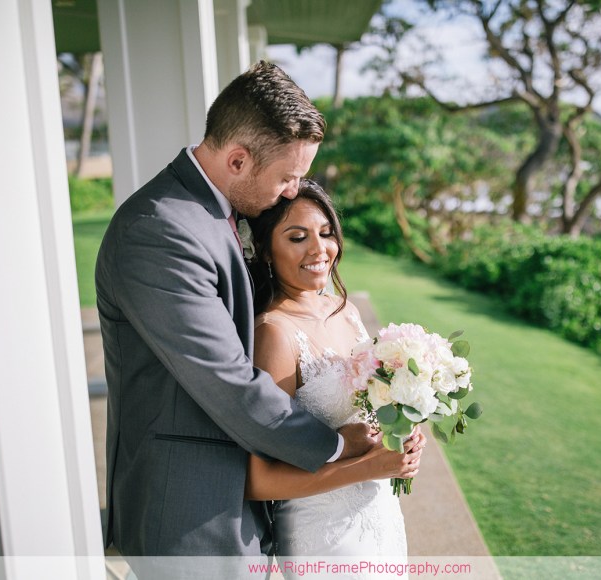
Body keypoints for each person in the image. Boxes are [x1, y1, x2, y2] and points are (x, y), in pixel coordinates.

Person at [94, 62, 398, 568]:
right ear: (237, 160)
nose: (290, 192)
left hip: (237, 506)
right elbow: (228, 380)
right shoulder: (160, 230)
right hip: (190, 510)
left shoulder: (209, 213)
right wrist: (333, 447)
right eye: (287, 177)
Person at [243, 179, 413, 567]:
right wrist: (368, 466)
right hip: (324, 536)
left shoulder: (346, 311)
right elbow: (259, 479)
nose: (319, 249)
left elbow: (368, 409)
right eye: (298, 237)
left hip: (379, 516)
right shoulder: (274, 334)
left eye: (326, 233)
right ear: (267, 251)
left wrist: (401, 430)